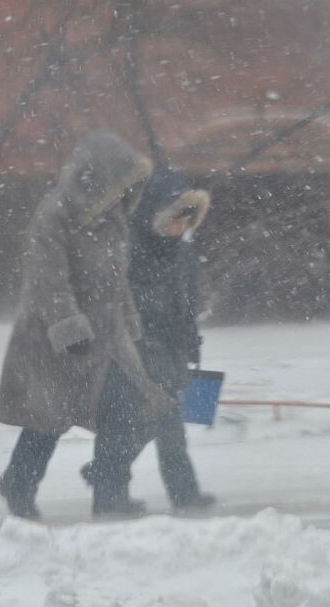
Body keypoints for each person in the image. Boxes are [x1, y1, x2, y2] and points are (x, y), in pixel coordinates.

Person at [0, 130, 175, 520]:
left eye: (127, 187)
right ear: (94, 179)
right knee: (47, 420)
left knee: (128, 411)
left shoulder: (115, 221)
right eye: (116, 185)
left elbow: (118, 282)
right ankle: (18, 483)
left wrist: (131, 327)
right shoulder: (54, 216)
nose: (120, 196)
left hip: (108, 340)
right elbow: (47, 279)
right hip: (53, 342)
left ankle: (110, 494)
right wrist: (69, 328)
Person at [81, 167, 216, 511]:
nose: (181, 227)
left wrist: (189, 341)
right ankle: (109, 498)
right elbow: (122, 304)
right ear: (156, 214)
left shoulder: (179, 253)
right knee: (121, 426)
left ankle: (183, 494)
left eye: (187, 219)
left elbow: (184, 303)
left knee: (169, 428)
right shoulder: (131, 251)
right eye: (175, 218)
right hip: (129, 354)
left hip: (166, 353)